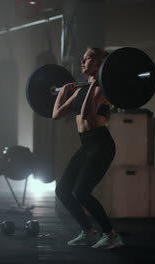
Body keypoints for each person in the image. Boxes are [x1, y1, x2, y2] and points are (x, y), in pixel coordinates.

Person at [52, 47, 124, 249]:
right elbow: (56, 114)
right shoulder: (82, 89)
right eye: (82, 59)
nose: (82, 62)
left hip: (101, 145)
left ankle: (111, 235)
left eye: (87, 58)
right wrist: (65, 91)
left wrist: (93, 86)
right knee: (63, 190)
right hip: (87, 145)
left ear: (100, 63)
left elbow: (88, 116)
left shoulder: (102, 90)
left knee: (81, 192)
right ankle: (88, 230)